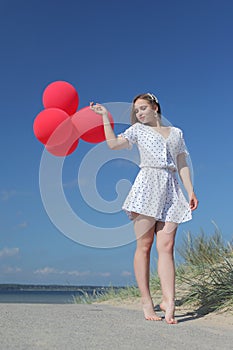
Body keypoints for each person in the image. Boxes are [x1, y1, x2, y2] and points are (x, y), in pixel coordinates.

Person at [90, 93, 198, 324]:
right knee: (145, 245)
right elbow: (113, 144)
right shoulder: (137, 130)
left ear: (155, 108)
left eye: (143, 108)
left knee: (167, 246)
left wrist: (190, 191)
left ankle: (169, 301)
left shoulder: (176, 133)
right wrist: (105, 119)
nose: (139, 113)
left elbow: (181, 163)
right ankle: (146, 300)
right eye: (136, 111)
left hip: (171, 188)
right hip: (147, 186)